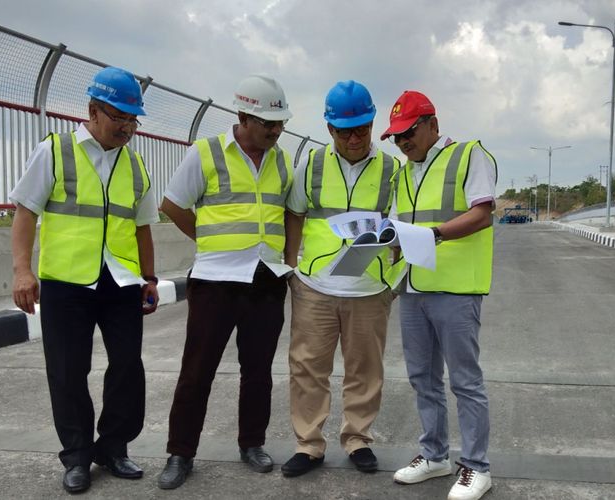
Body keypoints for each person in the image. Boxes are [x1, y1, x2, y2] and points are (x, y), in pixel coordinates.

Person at [10, 66, 159, 494]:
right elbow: (25, 212)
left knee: (128, 367)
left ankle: (113, 448)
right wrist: (23, 270)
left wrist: (148, 277)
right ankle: (77, 456)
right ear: (92, 111)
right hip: (66, 282)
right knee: (68, 371)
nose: (127, 128)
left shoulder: (134, 163)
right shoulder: (54, 151)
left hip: (122, 282)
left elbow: (143, 225)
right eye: (119, 117)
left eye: (133, 120)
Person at [157, 75, 293, 489]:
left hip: (266, 279)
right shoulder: (206, 153)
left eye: (279, 123)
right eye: (267, 123)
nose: (275, 131)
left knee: (259, 370)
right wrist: (211, 241)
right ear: (242, 116)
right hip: (215, 281)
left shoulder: (282, 160)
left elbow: (289, 213)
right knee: (197, 370)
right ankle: (180, 453)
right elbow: (173, 205)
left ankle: (252, 443)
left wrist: (288, 263)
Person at [381, 90, 497, 500]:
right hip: (413, 286)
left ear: (432, 123)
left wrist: (435, 234)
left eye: (409, 132)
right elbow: (401, 226)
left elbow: (483, 212)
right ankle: (433, 456)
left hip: (455, 287)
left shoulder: (468, 156)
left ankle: (477, 467)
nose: (403, 142)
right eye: (396, 137)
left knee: (465, 381)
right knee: (422, 378)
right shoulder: (402, 172)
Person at [281, 80, 399, 477]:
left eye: (363, 128)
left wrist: (394, 277)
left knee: (365, 369)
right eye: (346, 130)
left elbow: (400, 228)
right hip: (315, 286)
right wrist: (292, 268)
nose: (355, 137)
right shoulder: (311, 166)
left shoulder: (391, 169)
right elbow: (295, 213)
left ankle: (357, 439)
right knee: (307, 367)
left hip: (369, 289)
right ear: (329, 129)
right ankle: (308, 444)